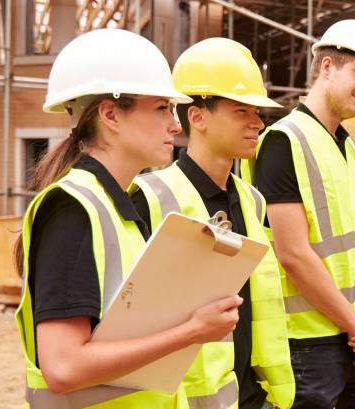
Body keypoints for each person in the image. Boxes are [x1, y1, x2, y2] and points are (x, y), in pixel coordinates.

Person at [15, 29, 242, 408]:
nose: (176, 125)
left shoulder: (117, 206)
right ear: (110, 114)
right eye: (161, 108)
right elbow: (64, 367)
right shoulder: (73, 210)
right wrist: (191, 331)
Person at [130, 37, 295, 409]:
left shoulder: (252, 201)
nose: (258, 122)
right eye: (242, 111)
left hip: (255, 397)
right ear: (198, 116)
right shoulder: (149, 198)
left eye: (258, 112)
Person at [239, 19, 355, 409]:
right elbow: (292, 254)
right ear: (327, 67)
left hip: (353, 334)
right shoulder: (282, 142)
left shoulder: (348, 148)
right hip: (307, 345)